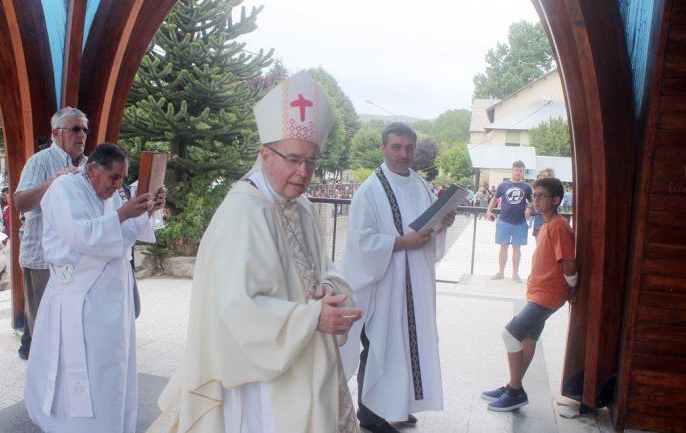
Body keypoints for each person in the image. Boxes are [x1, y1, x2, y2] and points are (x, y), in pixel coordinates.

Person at [149, 71, 363, 433]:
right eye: (293, 159)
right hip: (255, 378)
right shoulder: (242, 212)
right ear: (265, 155)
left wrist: (329, 289)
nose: (303, 171)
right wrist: (311, 319)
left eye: (312, 161)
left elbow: (323, 268)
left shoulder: (303, 207)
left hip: (305, 361)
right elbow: (236, 308)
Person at [24, 142, 165, 432]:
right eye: (114, 177)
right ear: (92, 169)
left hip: (111, 299)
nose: (117, 185)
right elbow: (81, 235)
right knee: (84, 368)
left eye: (121, 179)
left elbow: (122, 235)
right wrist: (123, 214)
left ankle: (110, 424)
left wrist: (146, 209)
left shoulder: (106, 193)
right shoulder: (63, 189)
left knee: (111, 368)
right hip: (79, 296)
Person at [339, 122, 455, 433]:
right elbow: (360, 242)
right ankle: (370, 415)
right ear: (383, 148)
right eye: (396, 147)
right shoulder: (370, 191)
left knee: (408, 346)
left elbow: (428, 228)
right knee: (380, 345)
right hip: (383, 285)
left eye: (409, 148)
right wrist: (402, 243)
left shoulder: (420, 185)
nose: (404, 154)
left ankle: (399, 405)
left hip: (416, 283)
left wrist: (443, 223)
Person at [482, 177, 577, 411]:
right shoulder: (547, 224)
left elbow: (568, 263)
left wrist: (573, 287)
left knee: (510, 334)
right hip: (539, 292)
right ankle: (512, 386)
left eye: (541, 196)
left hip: (548, 295)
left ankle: (515, 391)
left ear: (556, 200)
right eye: (534, 196)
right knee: (528, 338)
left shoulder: (559, 226)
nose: (536, 200)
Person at [13, 106, 88, 360]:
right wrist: (52, 183)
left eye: (85, 129)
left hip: (76, 259)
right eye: (75, 129)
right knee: (45, 330)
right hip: (43, 258)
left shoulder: (89, 165)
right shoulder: (40, 161)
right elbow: (20, 202)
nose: (82, 135)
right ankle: (42, 378)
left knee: (70, 327)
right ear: (56, 133)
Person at [486, 161, 533, 283]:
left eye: (521, 170)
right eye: (516, 170)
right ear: (512, 170)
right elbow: (494, 199)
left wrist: (529, 208)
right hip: (504, 221)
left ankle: (515, 274)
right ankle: (501, 272)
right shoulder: (503, 185)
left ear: (523, 172)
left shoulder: (527, 187)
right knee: (503, 247)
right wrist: (488, 210)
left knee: (517, 248)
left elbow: (533, 201)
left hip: (520, 222)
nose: (518, 172)